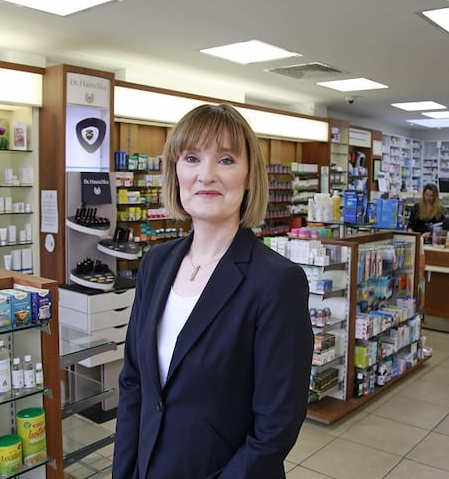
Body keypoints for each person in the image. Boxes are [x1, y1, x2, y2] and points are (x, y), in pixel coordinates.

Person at [113, 103, 314, 479]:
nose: (205, 175)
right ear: (175, 172)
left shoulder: (275, 282)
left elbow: (276, 426)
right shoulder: (155, 264)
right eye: (191, 158)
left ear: (250, 175)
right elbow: (135, 384)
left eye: (225, 160)